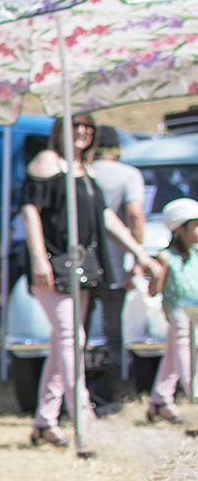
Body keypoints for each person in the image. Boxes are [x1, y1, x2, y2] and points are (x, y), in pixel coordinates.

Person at [20, 113, 156, 447]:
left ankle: (45, 421)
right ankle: (84, 417)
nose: (82, 131)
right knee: (71, 337)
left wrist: (138, 252)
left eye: (88, 126)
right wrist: (39, 258)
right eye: (75, 124)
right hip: (53, 263)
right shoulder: (47, 162)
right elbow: (30, 210)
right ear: (60, 130)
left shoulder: (86, 170)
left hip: (83, 265)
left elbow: (105, 217)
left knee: (64, 341)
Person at [88, 124, 147, 412]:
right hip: (115, 265)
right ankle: (112, 389)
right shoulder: (128, 174)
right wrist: (137, 256)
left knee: (77, 331)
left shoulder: (82, 171)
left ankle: (81, 389)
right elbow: (135, 215)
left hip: (82, 265)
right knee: (114, 333)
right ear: (117, 149)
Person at [147, 197, 198, 424]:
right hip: (178, 312)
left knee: (172, 354)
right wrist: (155, 275)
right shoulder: (164, 257)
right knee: (185, 352)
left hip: (195, 312)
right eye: (195, 225)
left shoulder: (195, 254)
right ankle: (194, 393)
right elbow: (152, 291)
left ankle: (160, 400)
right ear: (179, 229)